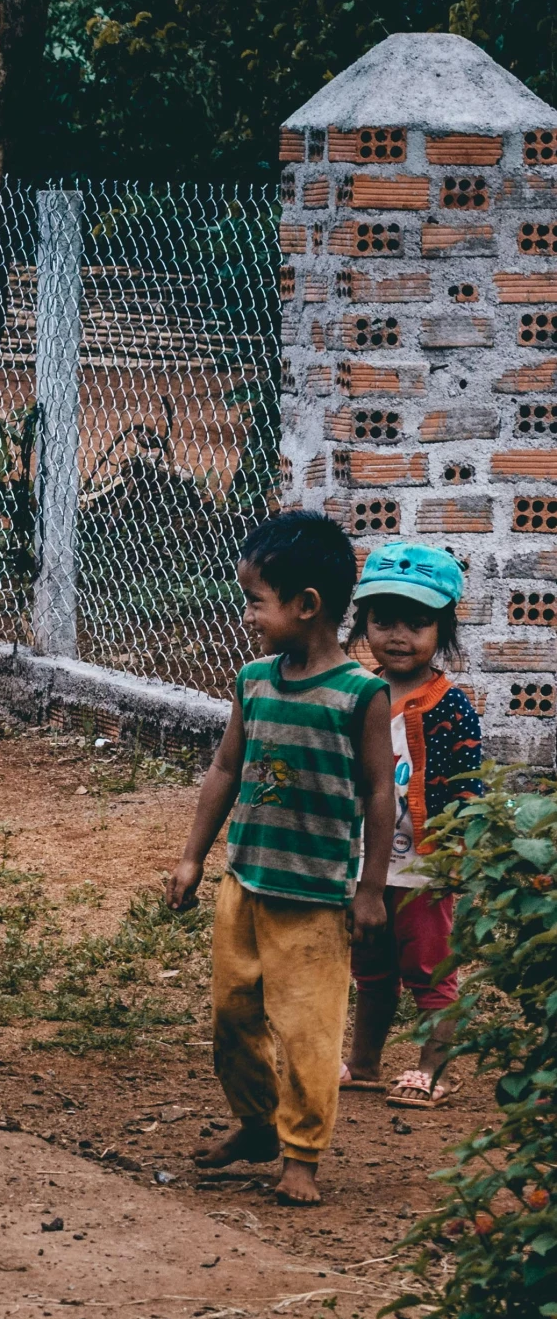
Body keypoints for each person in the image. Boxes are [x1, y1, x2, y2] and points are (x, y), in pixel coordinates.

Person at [167, 511, 395, 1207]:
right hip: (247, 882)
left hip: (318, 898)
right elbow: (224, 770)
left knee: (308, 1031)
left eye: (255, 601)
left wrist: (371, 888)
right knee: (232, 1015)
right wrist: (191, 857)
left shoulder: (361, 695)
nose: (246, 616)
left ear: (306, 605)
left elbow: (382, 793)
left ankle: (301, 1152)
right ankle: (257, 1124)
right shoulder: (255, 680)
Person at [341, 540, 479, 1110]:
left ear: (441, 630)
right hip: (366, 863)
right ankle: (367, 1062)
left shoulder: (449, 706)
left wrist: (454, 858)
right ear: (364, 624)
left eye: (417, 622)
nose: (398, 635)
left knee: (429, 970)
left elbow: (466, 790)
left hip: (424, 864)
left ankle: (432, 1071)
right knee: (370, 968)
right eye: (384, 620)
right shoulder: (357, 693)